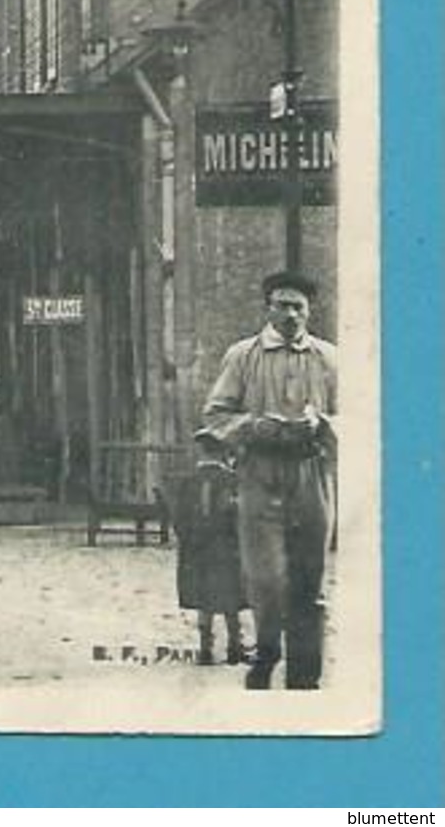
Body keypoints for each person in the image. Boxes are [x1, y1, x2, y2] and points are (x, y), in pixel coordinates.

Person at [202, 270, 337, 691]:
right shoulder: (243, 356)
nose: (291, 314)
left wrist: (323, 423)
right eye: (282, 304)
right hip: (259, 474)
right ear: (267, 307)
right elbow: (215, 415)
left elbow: (365, 416)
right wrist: (256, 426)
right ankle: (266, 653)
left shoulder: (330, 359)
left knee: (310, 577)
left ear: (309, 310)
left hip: (311, 473)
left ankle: (305, 672)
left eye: (298, 306)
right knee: (266, 578)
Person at [171, 430, 249, 666]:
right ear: (224, 453)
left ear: (201, 451)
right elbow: (241, 517)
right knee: (231, 597)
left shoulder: (189, 480)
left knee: (204, 597)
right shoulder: (234, 480)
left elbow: (179, 518)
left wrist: (187, 540)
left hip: (198, 550)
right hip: (227, 548)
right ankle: (235, 646)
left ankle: (205, 649)